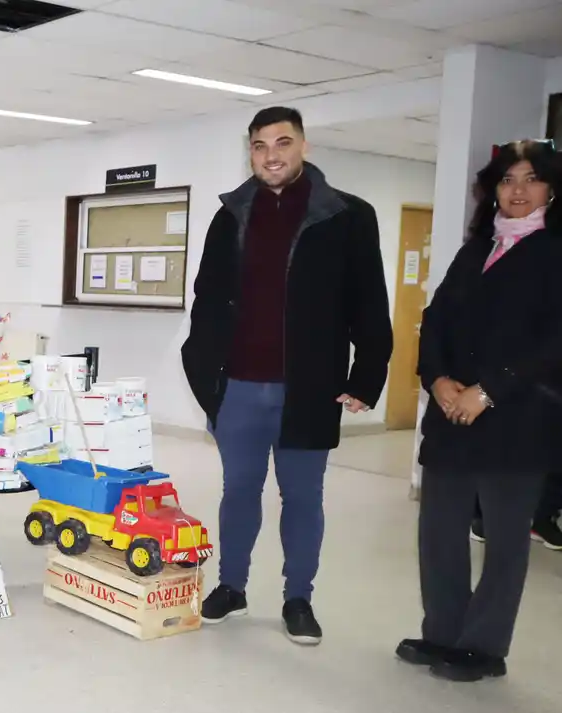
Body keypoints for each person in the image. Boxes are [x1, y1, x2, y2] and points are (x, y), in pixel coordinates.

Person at [180, 106, 392, 645]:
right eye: (259, 145)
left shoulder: (347, 215)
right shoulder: (230, 216)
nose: (271, 155)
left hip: (310, 388)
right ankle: (232, 587)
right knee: (238, 491)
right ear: (249, 152)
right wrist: (206, 379)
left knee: (303, 497)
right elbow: (207, 301)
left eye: (282, 142)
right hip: (240, 387)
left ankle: (299, 597)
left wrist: (367, 375)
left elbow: (369, 301)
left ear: (304, 146)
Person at [399, 139, 562, 682]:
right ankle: (442, 632)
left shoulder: (554, 251)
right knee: (440, 530)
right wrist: (437, 378)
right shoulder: (477, 250)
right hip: (451, 418)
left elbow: (552, 343)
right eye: (507, 180)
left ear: (550, 189)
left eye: (530, 179)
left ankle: (484, 646)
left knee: (505, 539)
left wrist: (488, 390)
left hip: (516, 421)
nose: (518, 190)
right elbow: (436, 317)